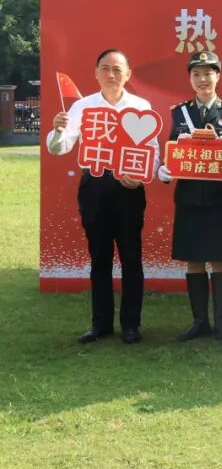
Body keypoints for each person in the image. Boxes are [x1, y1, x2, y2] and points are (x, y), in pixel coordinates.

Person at [47, 49, 160, 344]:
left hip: (128, 188)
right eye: (105, 68)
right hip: (94, 186)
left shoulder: (140, 106)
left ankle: (131, 325)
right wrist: (57, 131)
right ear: (96, 73)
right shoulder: (82, 107)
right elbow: (60, 148)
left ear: (128, 74)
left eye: (117, 69)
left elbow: (153, 151)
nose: (111, 74)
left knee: (131, 257)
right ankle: (101, 324)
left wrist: (141, 177)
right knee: (99, 257)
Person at [158, 51, 222, 342]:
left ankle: (221, 323)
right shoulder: (180, 113)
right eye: (196, 74)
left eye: (208, 73)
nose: (202, 79)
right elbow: (172, 150)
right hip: (190, 198)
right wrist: (165, 170)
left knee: (220, 260)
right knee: (193, 260)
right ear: (190, 78)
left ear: (218, 76)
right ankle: (200, 322)